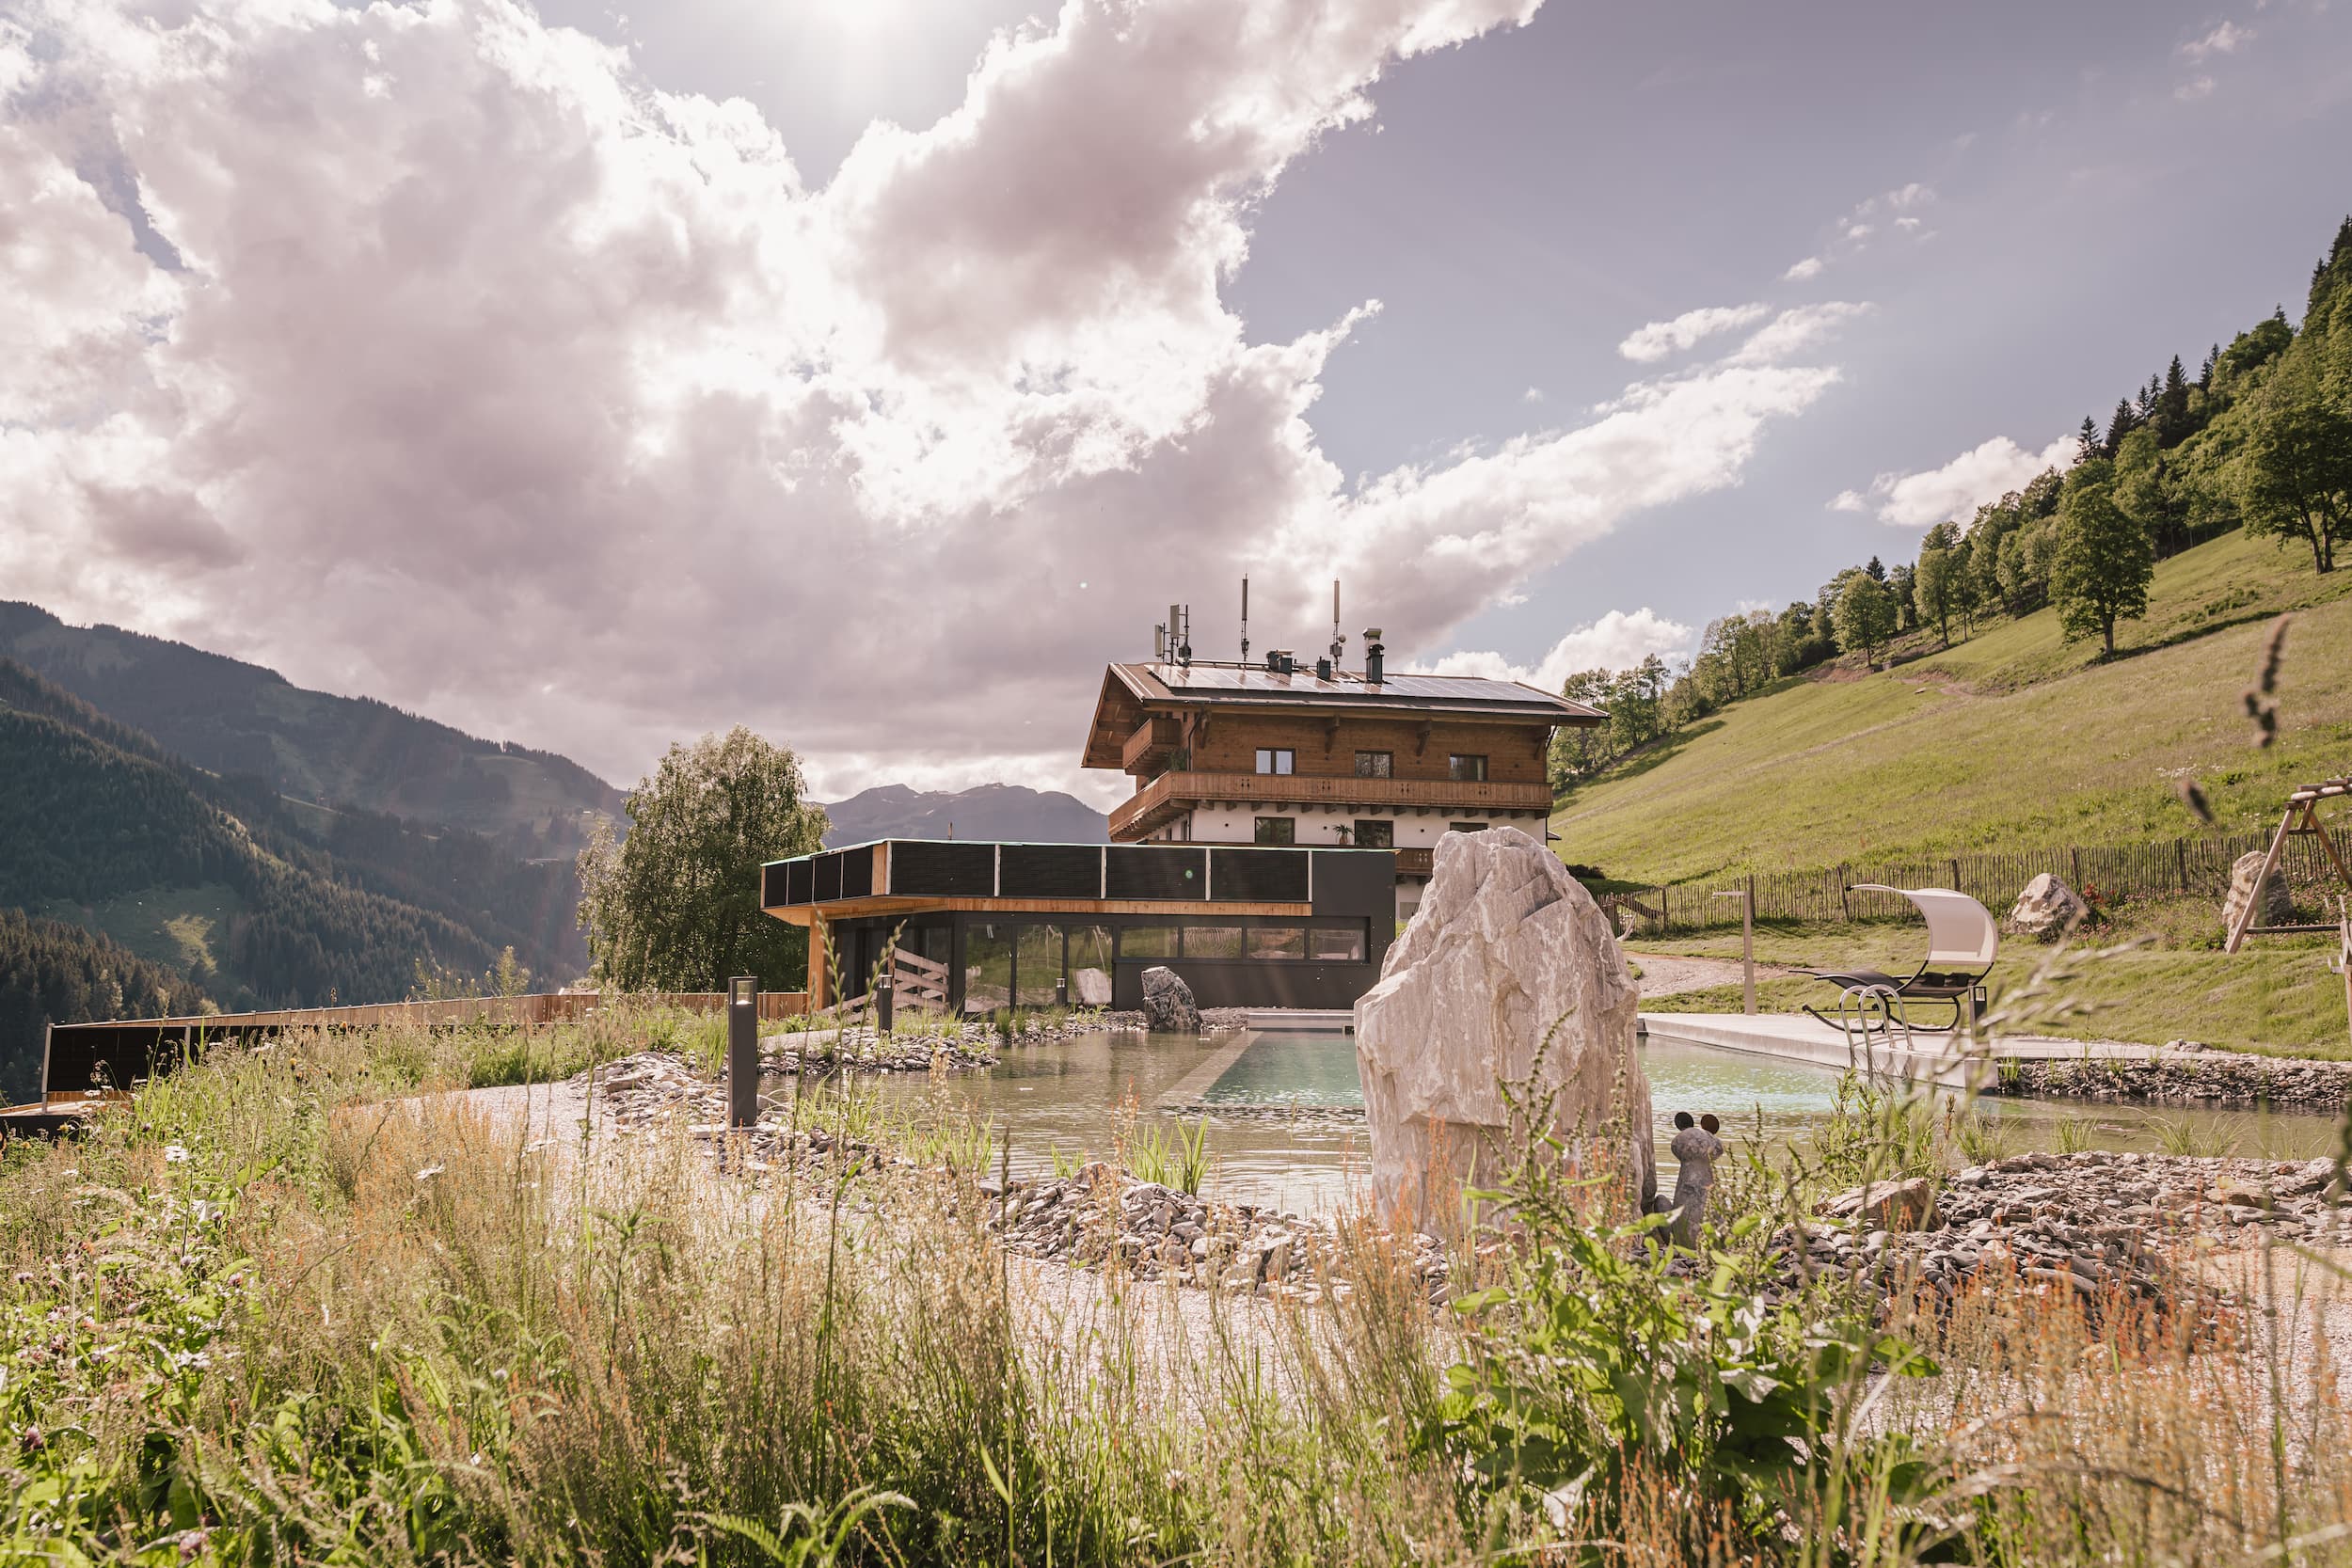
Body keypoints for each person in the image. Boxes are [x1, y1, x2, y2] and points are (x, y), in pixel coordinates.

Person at [1668, 1112, 1724, 1247]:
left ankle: (1683, 1241)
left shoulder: (1681, 1140)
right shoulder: (1714, 1143)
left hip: (1686, 1186)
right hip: (1705, 1184)